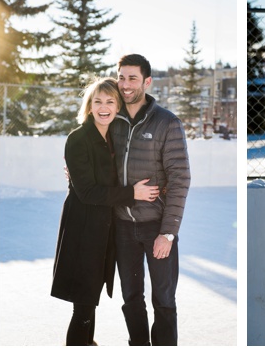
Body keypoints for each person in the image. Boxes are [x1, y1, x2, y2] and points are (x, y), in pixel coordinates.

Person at [51, 77, 160, 346]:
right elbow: (87, 192)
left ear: (118, 107)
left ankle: (88, 344)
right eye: (98, 101)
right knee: (83, 306)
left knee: (89, 302)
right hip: (83, 231)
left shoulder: (113, 137)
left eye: (110, 101)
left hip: (104, 232)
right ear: (89, 107)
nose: (104, 107)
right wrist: (132, 193)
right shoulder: (79, 138)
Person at [111, 54, 191, 346]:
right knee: (131, 297)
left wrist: (168, 233)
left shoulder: (167, 122)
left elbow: (180, 177)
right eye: (121, 77)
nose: (125, 84)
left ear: (147, 81)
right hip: (122, 226)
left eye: (132, 78)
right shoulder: (112, 118)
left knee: (164, 299)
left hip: (156, 226)